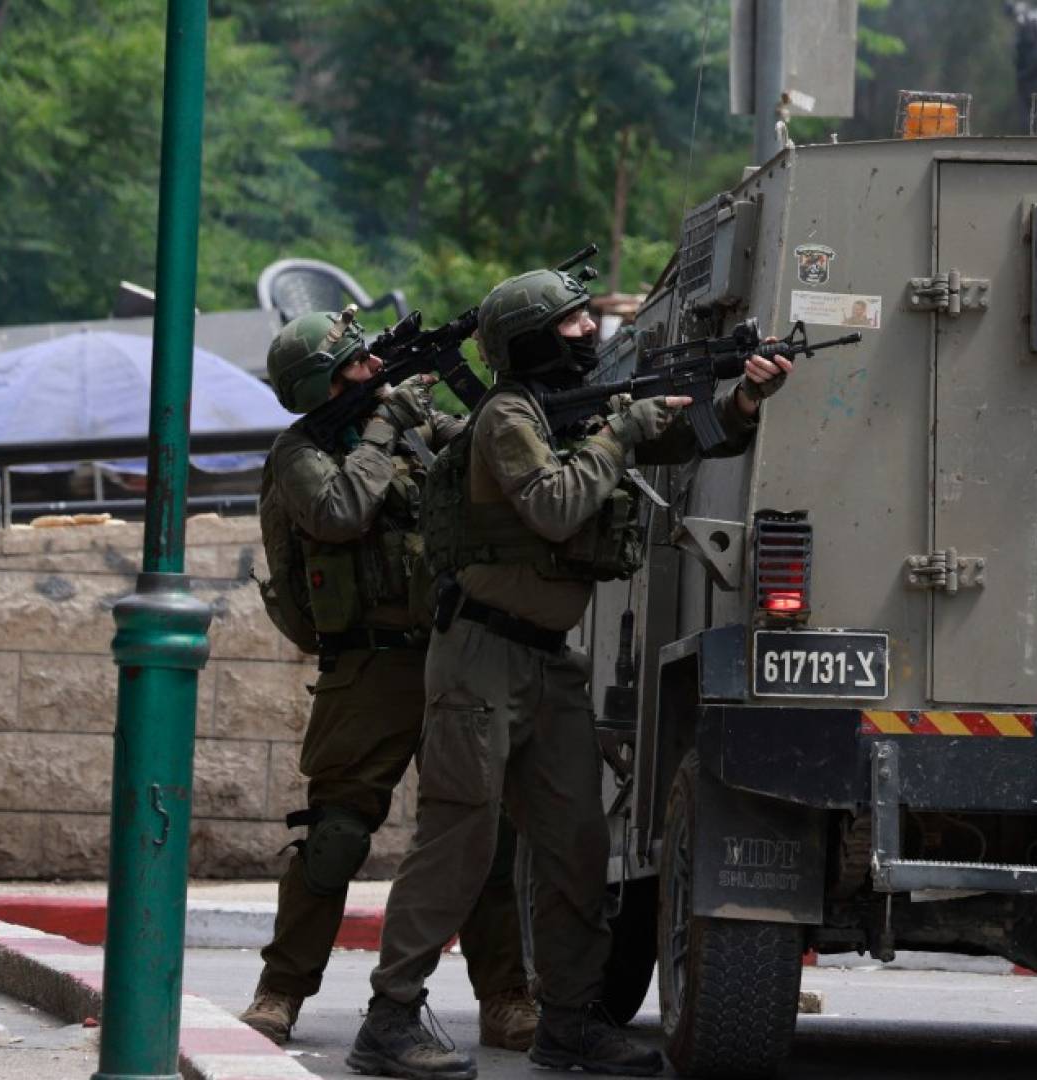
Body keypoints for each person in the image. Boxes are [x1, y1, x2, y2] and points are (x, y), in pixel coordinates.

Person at [352, 268, 792, 1079]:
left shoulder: (575, 412)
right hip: (480, 653)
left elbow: (696, 433)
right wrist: (619, 432)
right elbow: (555, 506)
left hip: (549, 662)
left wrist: (742, 399)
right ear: (530, 341)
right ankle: (389, 1018)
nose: (590, 331)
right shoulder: (507, 419)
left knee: (577, 844)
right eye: (572, 322)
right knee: (459, 835)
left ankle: (568, 1020)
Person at [245, 310, 537, 1056]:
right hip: (369, 666)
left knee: (484, 831)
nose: (375, 369)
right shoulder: (300, 452)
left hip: (452, 649)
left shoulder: (409, 425)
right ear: (327, 382)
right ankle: (280, 991)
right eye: (358, 364)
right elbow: (339, 512)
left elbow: (480, 455)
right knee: (336, 835)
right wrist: (382, 430)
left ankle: (506, 996)